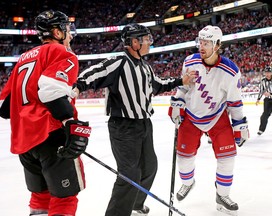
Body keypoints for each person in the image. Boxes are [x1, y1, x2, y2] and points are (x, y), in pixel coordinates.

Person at [73, 23, 195, 216]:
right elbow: (95, 73)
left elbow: (157, 85)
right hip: (124, 126)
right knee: (129, 174)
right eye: (146, 39)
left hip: (144, 124)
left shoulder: (145, 67)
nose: (149, 43)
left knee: (149, 168)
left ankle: (136, 203)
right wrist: (77, 86)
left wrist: (181, 81)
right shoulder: (119, 62)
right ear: (134, 42)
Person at [0, 10, 91, 216]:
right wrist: (70, 123)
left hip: (26, 142)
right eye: (68, 30)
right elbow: (51, 90)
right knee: (64, 198)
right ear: (57, 32)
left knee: (40, 196)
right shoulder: (63, 53)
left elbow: (4, 108)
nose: (71, 35)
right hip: (51, 135)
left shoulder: (23, 58)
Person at [168, 25, 249, 215]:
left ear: (218, 44)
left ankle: (222, 195)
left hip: (217, 117)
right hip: (191, 115)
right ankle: (188, 183)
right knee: (183, 158)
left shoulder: (231, 71)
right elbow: (183, 87)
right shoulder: (190, 61)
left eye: (207, 43)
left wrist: (240, 125)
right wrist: (177, 102)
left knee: (228, 158)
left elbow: (234, 101)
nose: (201, 46)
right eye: (200, 42)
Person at [256, 64, 272, 135]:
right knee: (264, 115)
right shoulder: (263, 81)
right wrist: (258, 99)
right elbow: (261, 90)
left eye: (269, 72)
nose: (267, 74)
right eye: (266, 72)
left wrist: (270, 94)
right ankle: (261, 129)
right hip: (267, 101)